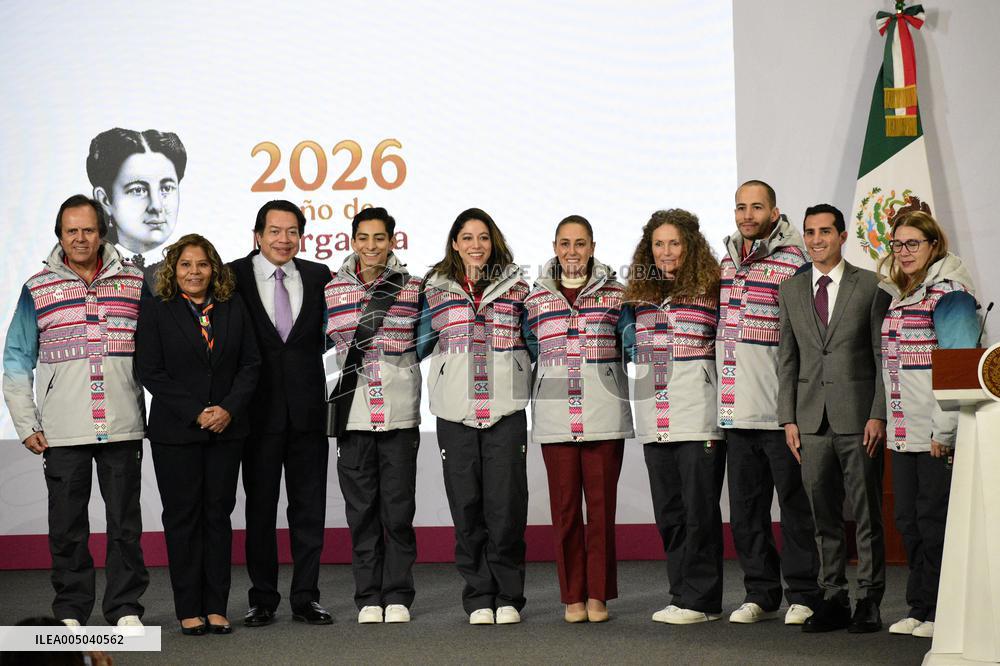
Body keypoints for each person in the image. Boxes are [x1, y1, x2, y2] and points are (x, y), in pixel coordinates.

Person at [2, 195, 148, 630]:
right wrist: (26, 423)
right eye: (72, 231)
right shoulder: (37, 288)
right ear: (60, 235)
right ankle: (70, 611)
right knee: (67, 528)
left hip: (121, 426)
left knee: (125, 525)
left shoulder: (136, 284)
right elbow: (15, 359)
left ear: (102, 232)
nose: (81, 238)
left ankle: (124, 609)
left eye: (88, 229)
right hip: (62, 431)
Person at [135, 234, 261, 635]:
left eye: (202, 264)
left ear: (214, 269)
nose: (194, 272)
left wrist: (227, 409)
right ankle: (189, 608)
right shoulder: (158, 310)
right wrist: (196, 412)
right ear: (173, 269)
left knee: (217, 518)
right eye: (186, 264)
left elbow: (251, 364)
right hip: (177, 433)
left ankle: (216, 606)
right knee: (183, 519)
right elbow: (150, 370)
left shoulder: (232, 306)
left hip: (227, 428)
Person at [777, 204, 891, 634]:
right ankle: (833, 595)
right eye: (809, 232)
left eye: (825, 231)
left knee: (865, 514)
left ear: (843, 236)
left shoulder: (871, 285)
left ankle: (869, 599)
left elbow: (882, 356)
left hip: (859, 418)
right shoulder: (791, 289)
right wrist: (787, 417)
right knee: (820, 514)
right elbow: (788, 359)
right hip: (809, 422)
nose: (816, 240)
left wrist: (878, 412)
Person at [416, 208, 531, 625]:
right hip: (454, 412)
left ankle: (508, 597)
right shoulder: (435, 289)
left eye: (483, 237)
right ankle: (479, 595)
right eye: (467, 238)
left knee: (506, 507)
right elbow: (418, 343)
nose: (476, 245)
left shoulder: (520, 287)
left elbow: (535, 342)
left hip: (505, 411)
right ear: (454, 244)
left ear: (493, 242)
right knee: (466, 506)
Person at [718, 180, 820, 625]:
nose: (747, 215)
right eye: (741, 207)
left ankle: (804, 592)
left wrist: (795, 408)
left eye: (756, 207)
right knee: (746, 511)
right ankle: (759, 592)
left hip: (781, 414)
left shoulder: (797, 261)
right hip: (735, 412)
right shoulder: (725, 261)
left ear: (775, 212)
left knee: (795, 507)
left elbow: (807, 342)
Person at [522, 215, 632, 624]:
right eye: (565, 243)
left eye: (580, 243)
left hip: (604, 415)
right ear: (554, 247)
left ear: (592, 246)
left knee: (601, 512)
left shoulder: (618, 294)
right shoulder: (534, 300)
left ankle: (599, 594)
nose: (572, 251)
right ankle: (573, 595)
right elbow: (530, 348)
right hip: (554, 418)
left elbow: (630, 344)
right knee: (565, 511)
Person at [229, 200, 334, 627]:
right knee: (260, 510)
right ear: (257, 235)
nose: (283, 239)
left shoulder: (319, 276)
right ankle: (262, 599)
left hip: (308, 412)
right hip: (255, 414)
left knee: (309, 510)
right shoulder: (231, 276)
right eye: (274, 231)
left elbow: (330, 335)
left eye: (292, 231)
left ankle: (306, 597)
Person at [622, 209, 727, 624]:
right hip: (654, 419)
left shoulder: (712, 290)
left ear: (691, 246)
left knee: (699, 511)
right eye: (658, 244)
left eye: (675, 243)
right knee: (669, 512)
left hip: (698, 416)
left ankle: (702, 601)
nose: (666, 252)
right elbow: (630, 348)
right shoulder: (638, 299)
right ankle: (681, 594)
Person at [877, 210, 978, 639]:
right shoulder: (902, 294)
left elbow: (959, 365)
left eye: (913, 243)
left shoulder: (950, 294)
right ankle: (920, 607)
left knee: (936, 523)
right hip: (904, 434)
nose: (904, 252)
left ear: (934, 244)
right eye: (898, 244)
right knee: (910, 522)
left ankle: (942, 611)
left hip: (937, 436)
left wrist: (945, 430)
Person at [324, 207, 422, 624]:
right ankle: (367, 596)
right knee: (360, 512)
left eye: (379, 238)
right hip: (352, 416)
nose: (371, 247)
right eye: (363, 238)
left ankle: (398, 594)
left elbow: (427, 343)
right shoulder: (330, 290)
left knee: (398, 512)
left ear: (392, 241)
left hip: (400, 415)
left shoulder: (414, 288)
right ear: (352, 241)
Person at [86, 128, 187, 286]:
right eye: (138, 190)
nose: (156, 206)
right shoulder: (89, 272)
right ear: (105, 200)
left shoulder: (194, 272)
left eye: (166, 188)